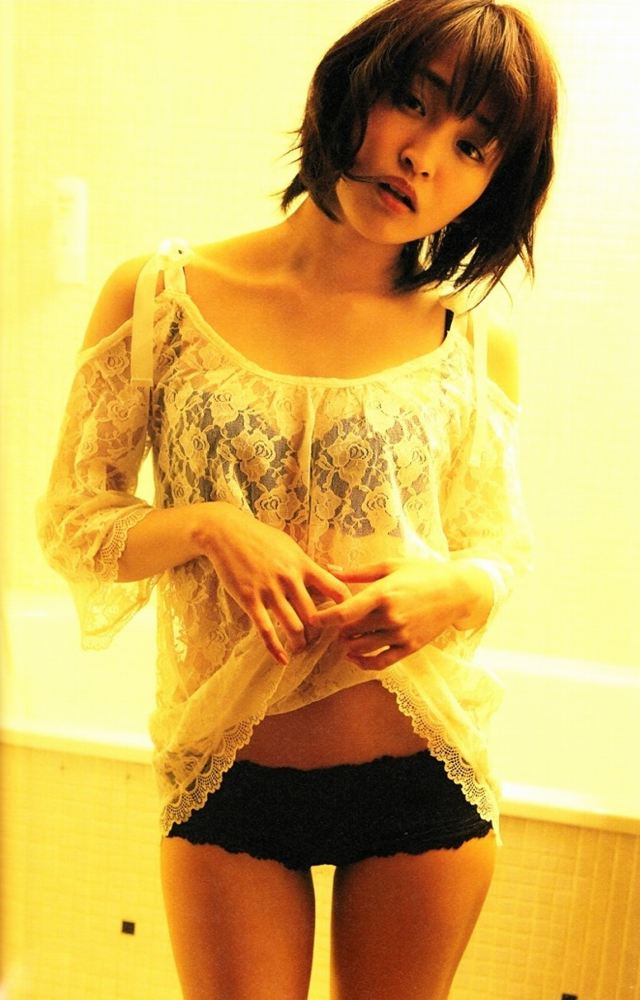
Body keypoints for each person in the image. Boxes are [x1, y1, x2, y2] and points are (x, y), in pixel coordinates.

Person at [37, 0, 558, 997]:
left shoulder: (472, 343)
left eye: (472, 146)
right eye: (414, 102)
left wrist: (455, 588)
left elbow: (500, 547)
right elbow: (72, 522)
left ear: (493, 184)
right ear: (348, 87)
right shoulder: (160, 297)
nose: (423, 158)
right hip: (228, 778)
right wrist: (208, 526)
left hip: (422, 772)